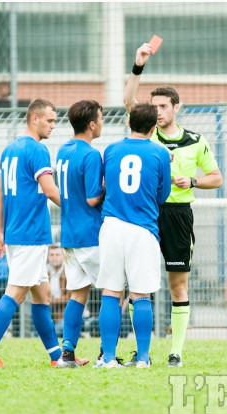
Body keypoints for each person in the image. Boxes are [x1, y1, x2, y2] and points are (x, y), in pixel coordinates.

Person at [123, 43, 223, 367]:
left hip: (179, 215)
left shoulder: (196, 140)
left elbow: (216, 178)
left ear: (176, 107)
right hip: (148, 215)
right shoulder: (147, 136)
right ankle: (142, 353)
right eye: (154, 107)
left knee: (177, 284)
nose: (158, 112)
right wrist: (138, 66)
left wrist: (192, 181)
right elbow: (127, 102)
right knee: (140, 285)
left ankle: (176, 352)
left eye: (163, 106)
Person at [0, 98, 62, 368]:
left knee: (42, 294)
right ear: (33, 119)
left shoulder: (9, 150)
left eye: (55, 122)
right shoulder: (37, 150)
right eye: (49, 121)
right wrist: (81, 209)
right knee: (16, 293)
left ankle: (57, 357)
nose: (53, 127)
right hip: (30, 234)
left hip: (15, 232)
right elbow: (50, 190)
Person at [95, 103, 171, 369]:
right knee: (141, 295)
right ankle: (142, 359)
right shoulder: (160, 153)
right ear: (153, 128)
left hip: (112, 226)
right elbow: (163, 195)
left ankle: (108, 359)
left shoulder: (112, 150)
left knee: (110, 292)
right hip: (142, 229)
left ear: (129, 124)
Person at [54, 100, 104, 368]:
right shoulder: (90, 154)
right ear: (92, 124)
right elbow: (94, 197)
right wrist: (111, 187)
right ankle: (106, 354)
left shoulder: (63, 150)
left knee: (78, 294)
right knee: (113, 291)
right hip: (90, 234)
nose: (103, 123)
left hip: (70, 234)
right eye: (101, 118)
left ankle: (67, 354)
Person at [47, 244, 69, 338]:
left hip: (64, 315)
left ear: (63, 257)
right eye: (52, 255)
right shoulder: (47, 275)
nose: (54, 258)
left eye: (57, 255)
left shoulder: (68, 274)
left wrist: (50, 301)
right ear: (48, 257)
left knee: (57, 330)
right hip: (49, 314)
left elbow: (70, 298)